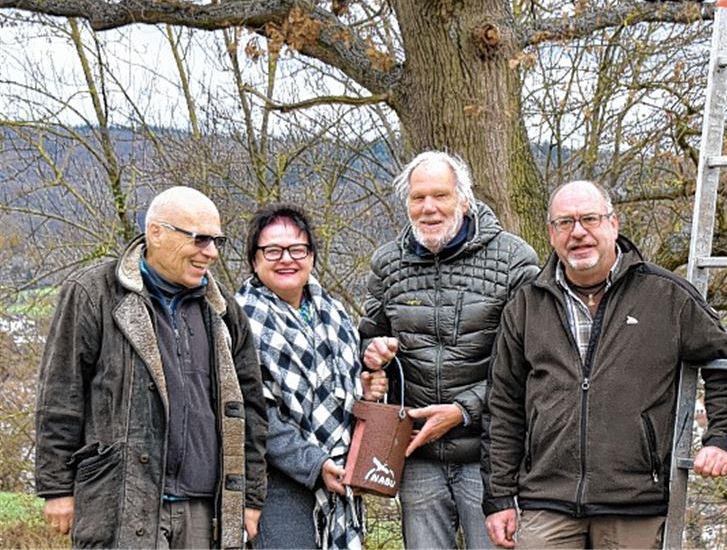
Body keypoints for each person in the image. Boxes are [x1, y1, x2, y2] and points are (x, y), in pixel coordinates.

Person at [481, 180, 727, 549]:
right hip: (546, 500)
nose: (578, 232)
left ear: (613, 224)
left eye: (589, 219)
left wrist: (720, 437)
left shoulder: (665, 295)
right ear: (551, 233)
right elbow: (503, 406)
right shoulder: (527, 306)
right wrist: (498, 497)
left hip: (634, 500)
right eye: (565, 223)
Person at [34, 186, 267, 549]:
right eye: (200, 239)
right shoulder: (93, 292)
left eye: (217, 240)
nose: (212, 253)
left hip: (205, 508)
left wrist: (250, 498)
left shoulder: (224, 312)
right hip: (121, 499)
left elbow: (251, 408)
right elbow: (60, 394)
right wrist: (56, 487)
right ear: (156, 232)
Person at [358, 150, 540, 549]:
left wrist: (462, 412)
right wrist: (372, 356)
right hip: (417, 453)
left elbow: (535, 363)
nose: (428, 208)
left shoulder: (514, 260)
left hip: (490, 457)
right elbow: (367, 338)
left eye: (440, 195)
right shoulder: (388, 263)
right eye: (417, 198)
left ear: (464, 199)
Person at [235, 204, 387, 549]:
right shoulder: (240, 321)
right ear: (254, 259)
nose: (286, 258)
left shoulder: (335, 314)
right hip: (278, 485)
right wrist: (314, 464)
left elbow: (340, 390)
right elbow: (252, 412)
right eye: (272, 250)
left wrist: (363, 388)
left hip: (341, 480)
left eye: (297, 249)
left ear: (312, 256)